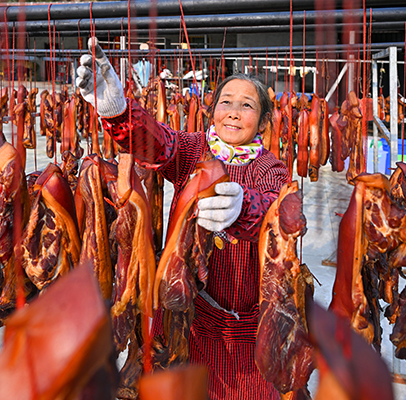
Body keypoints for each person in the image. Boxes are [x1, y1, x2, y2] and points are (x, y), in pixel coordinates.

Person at [76, 38, 289, 400]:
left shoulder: (272, 170)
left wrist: (245, 208)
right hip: (181, 318)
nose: (234, 113)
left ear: (265, 122)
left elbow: (276, 214)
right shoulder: (193, 150)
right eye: (226, 103)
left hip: (240, 334)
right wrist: (116, 110)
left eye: (247, 106)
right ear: (212, 112)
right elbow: (157, 143)